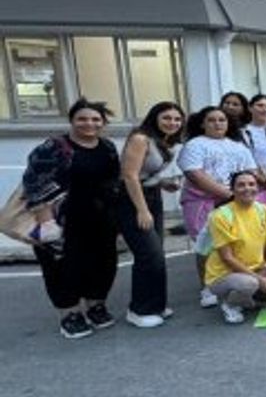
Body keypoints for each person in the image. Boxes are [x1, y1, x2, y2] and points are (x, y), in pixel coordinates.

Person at [22, 99, 122, 339]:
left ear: (103, 123)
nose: (89, 124)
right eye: (83, 119)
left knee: (103, 263)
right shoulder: (54, 147)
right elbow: (34, 183)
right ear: (72, 121)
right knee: (62, 267)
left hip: (100, 218)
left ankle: (96, 305)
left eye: (96, 119)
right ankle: (70, 314)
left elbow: (114, 181)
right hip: (62, 220)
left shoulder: (107, 147)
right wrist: (46, 222)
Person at [178, 106, 256, 310]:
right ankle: (207, 286)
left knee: (234, 243)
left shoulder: (238, 146)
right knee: (206, 245)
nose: (217, 123)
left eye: (222, 120)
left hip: (237, 201)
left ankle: (234, 282)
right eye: (211, 120)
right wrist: (229, 194)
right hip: (202, 201)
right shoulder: (195, 145)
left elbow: (250, 171)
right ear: (202, 123)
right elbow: (195, 174)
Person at [118, 101, 184, 328]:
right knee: (149, 254)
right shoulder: (140, 138)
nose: (172, 123)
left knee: (157, 254)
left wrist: (164, 184)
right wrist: (142, 209)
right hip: (132, 201)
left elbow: (146, 175)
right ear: (154, 117)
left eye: (177, 119)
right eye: (167, 118)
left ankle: (156, 305)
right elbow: (129, 176)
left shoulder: (161, 141)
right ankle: (139, 310)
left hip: (152, 196)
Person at [205, 171, 266, 324]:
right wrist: (260, 280)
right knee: (250, 283)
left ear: (258, 187)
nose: (247, 188)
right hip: (223, 275)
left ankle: (248, 298)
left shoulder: (263, 211)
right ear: (233, 189)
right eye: (241, 185)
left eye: (251, 184)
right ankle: (230, 303)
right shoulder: (220, 215)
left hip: (256, 268)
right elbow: (227, 257)